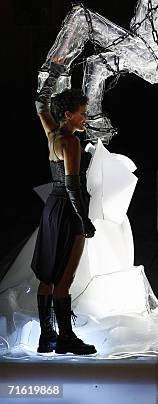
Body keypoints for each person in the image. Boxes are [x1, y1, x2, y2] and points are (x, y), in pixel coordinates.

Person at [31, 60, 97, 355]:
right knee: (64, 278)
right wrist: (84, 221)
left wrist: (55, 73)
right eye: (82, 114)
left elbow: (39, 103)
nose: (85, 118)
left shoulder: (52, 132)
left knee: (47, 275)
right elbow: (72, 186)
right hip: (68, 211)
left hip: (51, 210)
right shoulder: (70, 142)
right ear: (69, 115)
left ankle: (47, 337)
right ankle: (66, 339)